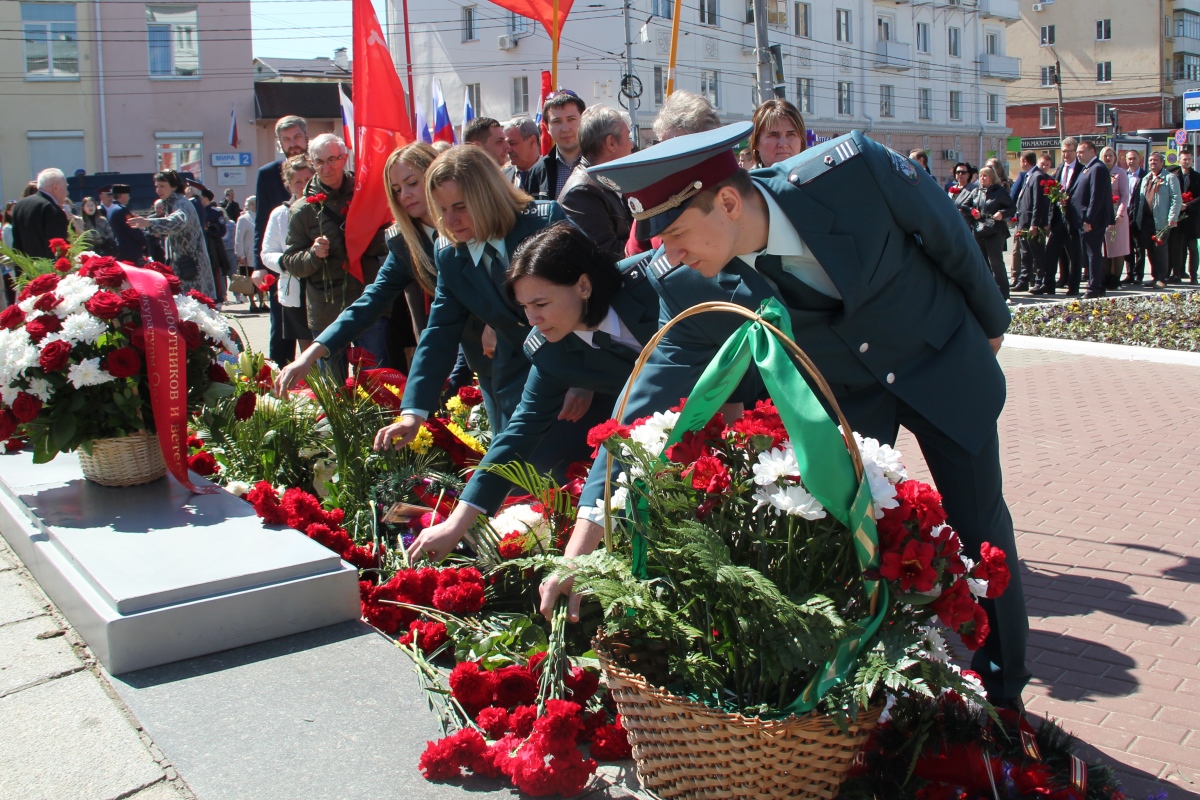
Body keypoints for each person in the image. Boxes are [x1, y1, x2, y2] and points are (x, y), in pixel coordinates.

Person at [543, 122, 1029, 711]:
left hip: (940, 357)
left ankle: (1004, 694)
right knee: (851, 539)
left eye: (673, 233)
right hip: (850, 400)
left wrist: (992, 323)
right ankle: (866, 692)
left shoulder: (852, 172)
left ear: (727, 202)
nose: (666, 254)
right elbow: (639, 403)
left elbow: (947, 235)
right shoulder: (692, 282)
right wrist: (582, 547)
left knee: (980, 529)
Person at [403, 221, 664, 563]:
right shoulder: (550, 350)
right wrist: (456, 525)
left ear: (583, 285)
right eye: (524, 307)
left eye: (540, 303)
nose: (532, 319)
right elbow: (517, 435)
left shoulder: (652, 283)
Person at [370, 144, 577, 449]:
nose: (449, 221)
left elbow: (592, 299)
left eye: (460, 206)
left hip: (576, 383)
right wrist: (413, 412)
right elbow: (439, 332)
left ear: (487, 196)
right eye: (441, 210)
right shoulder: (451, 254)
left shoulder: (544, 223)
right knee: (520, 488)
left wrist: (583, 381)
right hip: (516, 389)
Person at [276, 143, 487, 398]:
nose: (405, 195)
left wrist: (495, 325)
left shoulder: (476, 221)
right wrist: (313, 351)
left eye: (412, 183)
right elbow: (371, 301)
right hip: (472, 351)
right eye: (396, 190)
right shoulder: (404, 243)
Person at [280, 133, 389, 361]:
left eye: (332, 159)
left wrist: (371, 240)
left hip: (365, 301)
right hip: (325, 307)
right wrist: (312, 254)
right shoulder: (302, 210)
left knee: (375, 379)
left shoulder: (366, 197)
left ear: (345, 158)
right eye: (319, 162)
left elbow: (389, 241)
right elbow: (290, 260)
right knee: (333, 387)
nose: (326, 167)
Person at [256, 115, 311, 366]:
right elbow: (261, 218)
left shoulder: (319, 166)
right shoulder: (267, 174)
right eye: (287, 139)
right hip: (284, 267)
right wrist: (259, 266)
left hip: (319, 267)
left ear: (306, 137)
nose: (293, 143)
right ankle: (280, 385)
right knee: (281, 329)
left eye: (297, 136)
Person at [558, 105, 635, 259]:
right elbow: (608, 253)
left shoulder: (603, 179)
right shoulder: (581, 192)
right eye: (628, 138)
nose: (631, 145)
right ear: (611, 143)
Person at [127, 170, 218, 298]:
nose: (158, 190)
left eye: (162, 186)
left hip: (191, 265)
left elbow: (177, 221)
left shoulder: (181, 203)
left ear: (174, 186)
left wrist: (148, 222)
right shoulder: (173, 202)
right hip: (185, 264)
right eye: (156, 186)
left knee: (194, 307)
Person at [1033, 138, 1082, 297]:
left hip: (1074, 219)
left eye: (1069, 151)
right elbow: (1051, 197)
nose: (1066, 154)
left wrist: (1069, 200)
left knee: (1074, 255)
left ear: (1075, 152)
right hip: (1058, 219)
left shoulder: (1082, 169)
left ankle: (1073, 286)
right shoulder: (1060, 169)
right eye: (1063, 151)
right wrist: (1048, 220)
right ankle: (1048, 285)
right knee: (1051, 253)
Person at [1070, 140, 1114, 298]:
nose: (1078, 155)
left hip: (1092, 221)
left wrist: (1089, 219)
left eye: (1081, 151)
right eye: (1078, 152)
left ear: (1092, 152)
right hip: (1083, 219)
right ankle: (1098, 285)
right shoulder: (1086, 169)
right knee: (1089, 254)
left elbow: (1096, 196)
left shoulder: (1098, 168)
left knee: (1093, 254)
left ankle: (1093, 288)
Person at [969, 165, 1016, 300]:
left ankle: (1003, 293)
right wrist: (972, 211)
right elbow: (964, 205)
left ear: (992, 178)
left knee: (996, 262)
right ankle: (988, 292)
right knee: (983, 263)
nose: (982, 178)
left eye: (986, 176)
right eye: (981, 175)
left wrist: (1002, 213)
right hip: (979, 230)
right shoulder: (976, 191)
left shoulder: (999, 191)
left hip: (995, 231)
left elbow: (1012, 207)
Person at [529, 90, 586, 200]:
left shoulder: (601, 164)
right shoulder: (538, 171)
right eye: (557, 122)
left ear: (584, 120)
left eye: (571, 119)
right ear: (546, 127)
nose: (565, 129)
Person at [1136, 152, 1180, 289]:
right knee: (1150, 248)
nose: (1152, 163)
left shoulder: (1170, 178)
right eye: (1150, 160)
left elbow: (1176, 199)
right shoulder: (1146, 178)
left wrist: (1172, 217)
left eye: (1155, 160)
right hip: (1146, 220)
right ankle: (1155, 276)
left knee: (1160, 248)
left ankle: (1162, 277)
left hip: (1161, 220)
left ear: (1162, 163)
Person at [11, 168, 70, 258]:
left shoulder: (20, 205)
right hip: (47, 270)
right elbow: (58, 251)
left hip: (27, 269)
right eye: (65, 187)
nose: (67, 193)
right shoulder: (52, 209)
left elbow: (17, 247)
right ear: (56, 187)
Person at [1014, 152, 1050, 294]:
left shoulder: (1037, 176)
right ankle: (1024, 280)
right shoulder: (1029, 176)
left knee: (1037, 253)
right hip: (1024, 221)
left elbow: (1038, 202)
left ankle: (1040, 281)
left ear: (1024, 161)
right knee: (1025, 253)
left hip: (1031, 223)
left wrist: (1034, 224)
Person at [1099, 147, 1130, 290]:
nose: (1108, 158)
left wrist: (1120, 213)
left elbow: (1125, 195)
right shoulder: (1099, 171)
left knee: (1117, 248)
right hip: (1103, 214)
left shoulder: (1120, 173)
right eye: (1105, 156)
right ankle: (1105, 277)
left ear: (1115, 157)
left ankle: (1115, 278)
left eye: (1110, 155)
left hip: (1118, 214)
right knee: (1105, 248)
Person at [1169, 151, 1200, 284]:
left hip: (1192, 217)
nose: (1186, 161)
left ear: (1192, 161)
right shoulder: (1173, 176)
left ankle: (1193, 275)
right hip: (1177, 216)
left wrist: (1188, 205)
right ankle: (1177, 274)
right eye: (1184, 159)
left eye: (1189, 159)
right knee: (1176, 246)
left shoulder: (1197, 177)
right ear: (1179, 161)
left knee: (1192, 247)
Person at [749, 99, 806, 168]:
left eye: (791, 134)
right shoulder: (747, 179)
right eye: (774, 135)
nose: (783, 144)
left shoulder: (817, 177)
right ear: (756, 142)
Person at [235, 196, 265, 310]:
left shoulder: (261, 216)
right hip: (248, 254)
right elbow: (239, 238)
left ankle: (262, 302)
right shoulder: (243, 219)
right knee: (249, 279)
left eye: (255, 203)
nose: (254, 205)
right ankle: (252, 303)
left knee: (262, 278)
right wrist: (240, 255)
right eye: (252, 203)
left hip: (260, 253)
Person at [107, 184, 147, 265]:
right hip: (129, 251)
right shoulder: (122, 210)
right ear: (122, 195)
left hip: (120, 249)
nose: (129, 197)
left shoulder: (111, 209)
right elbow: (133, 228)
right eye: (128, 195)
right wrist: (144, 241)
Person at [1123, 150, 1147, 285]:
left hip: (1138, 214)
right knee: (1128, 246)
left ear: (1139, 160)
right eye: (1129, 159)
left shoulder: (1145, 176)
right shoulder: (1123, 175)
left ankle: (1138, 275)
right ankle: (1129, 274)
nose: (1131, 161)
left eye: (1134, 158)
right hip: (1125, 213)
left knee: (1139, 247)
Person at [503, 117, 542, 194]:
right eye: (506, 144)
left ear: (532, 141)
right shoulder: (502, 177)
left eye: (512, 143)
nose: (508, 149)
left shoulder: (552, 174)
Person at [948, 162, 977, 229]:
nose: (960, 174)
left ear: (968, 174)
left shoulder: (974, 189)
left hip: (966, 226)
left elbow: (977, 208)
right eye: (958, 172)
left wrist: (964, 211)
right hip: (952, 224)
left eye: (963, 172)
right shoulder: (952, 189)